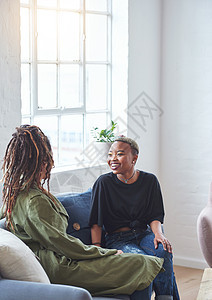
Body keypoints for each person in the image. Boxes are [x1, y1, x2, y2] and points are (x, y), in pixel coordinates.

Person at [0, 125, 164, 300]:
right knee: (140, 262)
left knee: (142, 261)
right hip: (62, 267)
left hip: (64, 258)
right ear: (37, 163)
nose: (49, 165)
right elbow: (62, 243)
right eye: (46, 160)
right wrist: (103, 252)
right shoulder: (34, 201)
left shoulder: (14, 193)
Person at [89, 136, 180, 300]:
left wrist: (159, 234)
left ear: (134, 158)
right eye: (110, 154)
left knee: (163, 251)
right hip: (118, 239)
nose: (113, 159)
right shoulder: (103, 183)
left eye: (119, 154)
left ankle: (165, 298)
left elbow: (155, 215)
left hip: (145, 234)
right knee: (142, 261)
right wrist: (97, 249)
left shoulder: (149, 181)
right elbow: (96, 222)